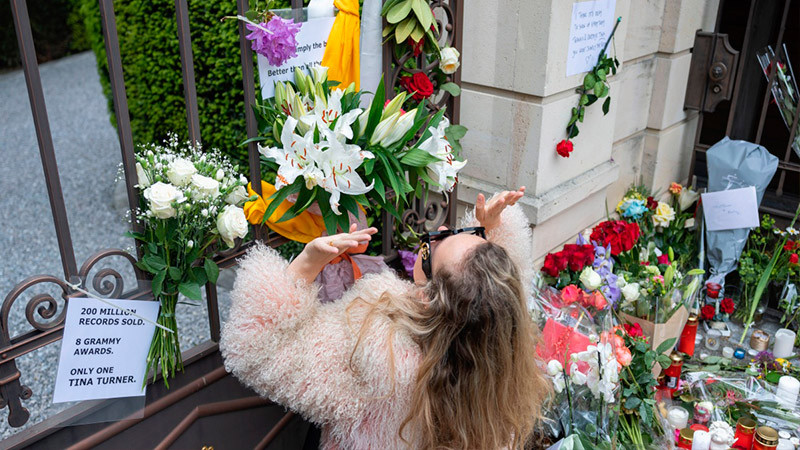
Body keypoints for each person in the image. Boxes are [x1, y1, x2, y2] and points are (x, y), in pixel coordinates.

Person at [220, 187, 552, 449]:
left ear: (426, 296)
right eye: (473, 234)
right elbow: (494, 295)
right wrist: (493, 233)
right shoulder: (498, 363)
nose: (444, 227)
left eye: (435, 244)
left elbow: (254, 349)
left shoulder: (377, 356)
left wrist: (307, 263)